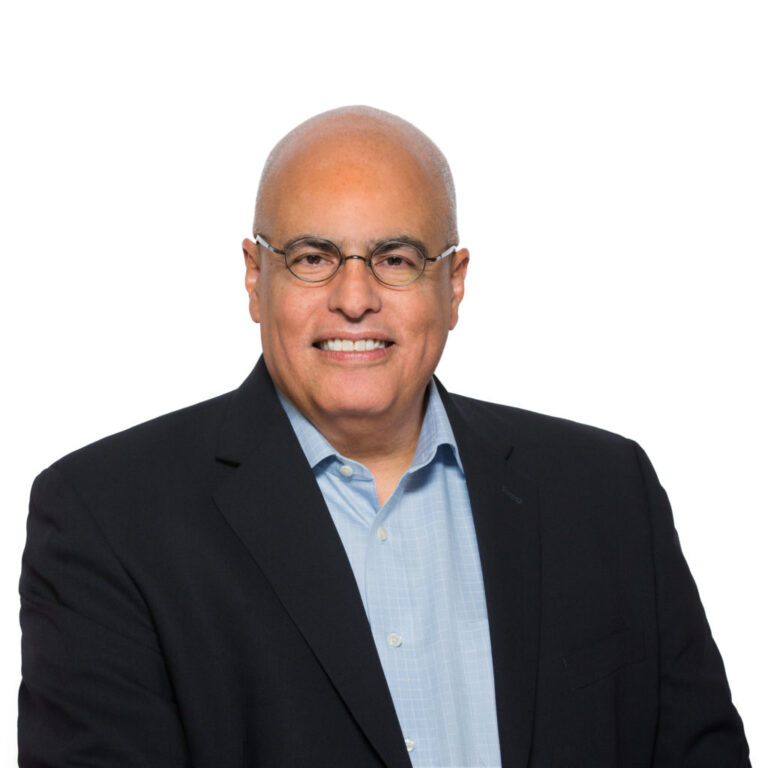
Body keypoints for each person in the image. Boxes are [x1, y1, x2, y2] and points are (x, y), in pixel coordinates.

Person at [18, 106, 750, 767]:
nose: (355, 298)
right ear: (255, 277)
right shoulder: (107, 519)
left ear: (453, 284)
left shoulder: (605, 491)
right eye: (313, 258)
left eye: (396, 259)